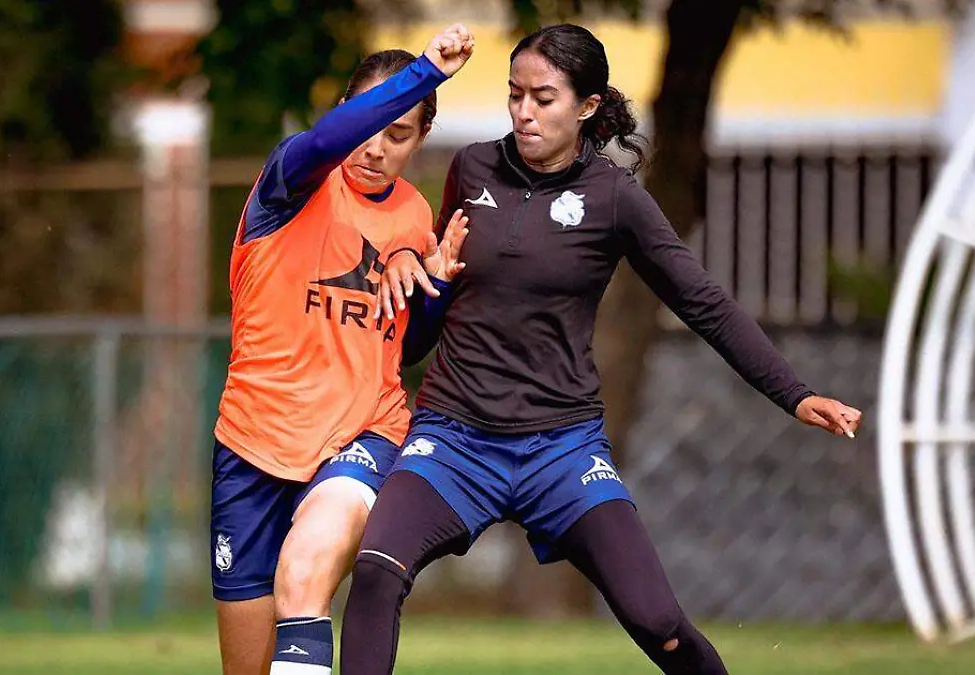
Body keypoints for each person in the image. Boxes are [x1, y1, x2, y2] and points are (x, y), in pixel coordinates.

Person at [339, 23, 862, 675]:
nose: (524, 112)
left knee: (659, 622)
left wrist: (796, 392)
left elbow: (702, 300)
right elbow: (423, 325)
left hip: (561, 448)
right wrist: (430, 284)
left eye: (544, 97)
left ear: (587, 107)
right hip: (453, 439)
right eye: (514, 94)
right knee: (376, 569)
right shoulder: (471, 167)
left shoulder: (615, 199)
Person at [208, 25, 474, 675]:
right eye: (369, 122)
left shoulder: (415, 215)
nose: (376, 147)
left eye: (400, 133)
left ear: (421, 140)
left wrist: (434, 285)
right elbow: (331, 140)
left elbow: (404, 346)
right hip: (253, 443)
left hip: (361, 435)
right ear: (343, 115)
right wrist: (425, 72)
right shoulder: (292, 178)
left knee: (303, 576)